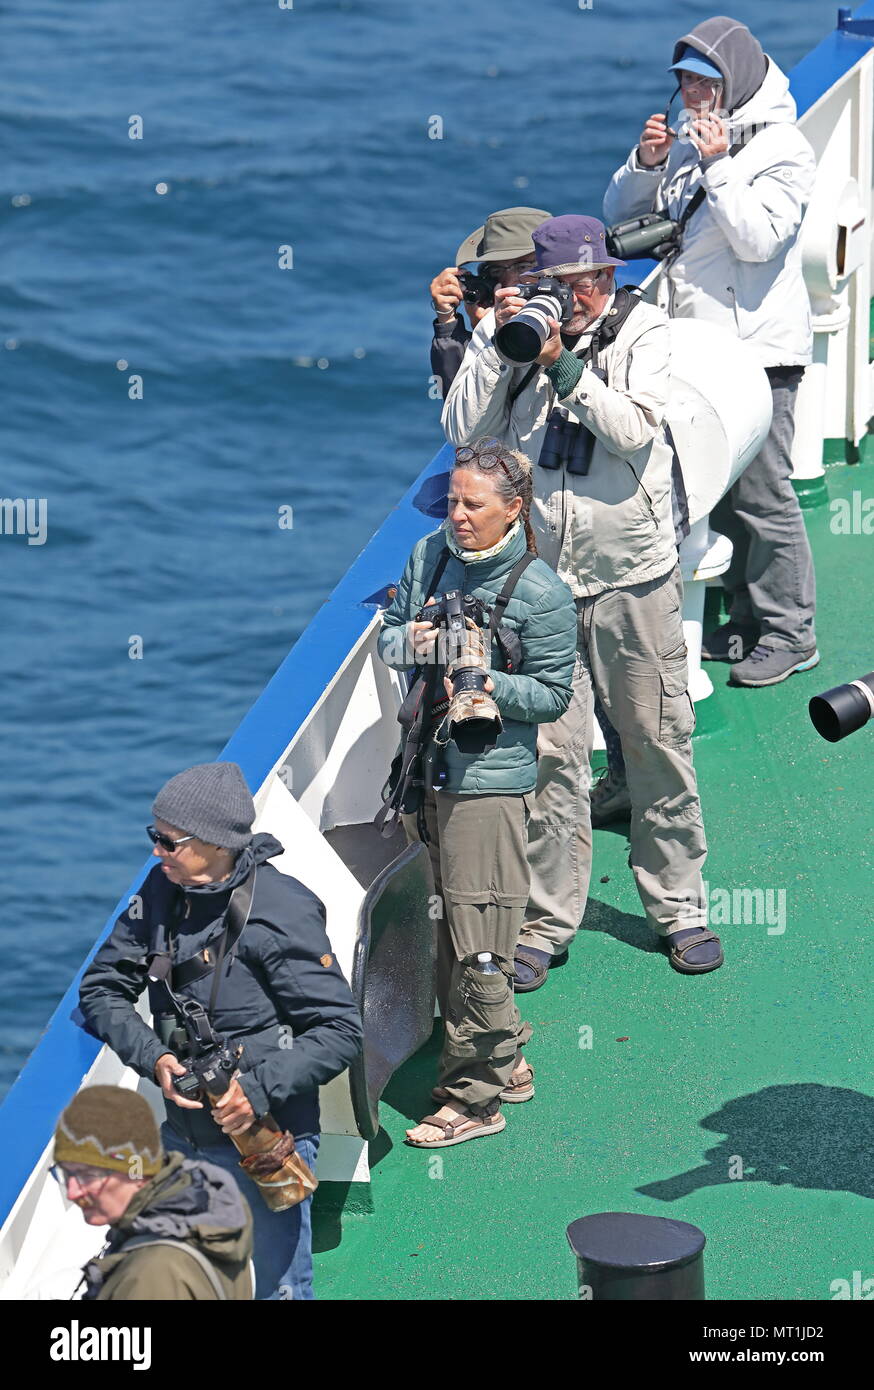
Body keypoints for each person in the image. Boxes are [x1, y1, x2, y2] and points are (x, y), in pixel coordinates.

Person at [443, 214, 723, 984]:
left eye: (595, 280)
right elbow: (462, 429)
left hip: (633, 575)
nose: (583, 296)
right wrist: (494, 344)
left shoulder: (648, 333)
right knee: (553, 757)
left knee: (656, 742)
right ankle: (545, 919)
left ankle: (680, 906)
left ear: (608, 276)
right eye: (565, 287)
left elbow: (633, 429)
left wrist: (566, 367)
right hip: (545, 589)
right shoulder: (511, 331)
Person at [79, 761, 363, 1300]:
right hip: (181, 1138)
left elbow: (340, 1030)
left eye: (168, 842)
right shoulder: (163, 889)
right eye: (154, 838)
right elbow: (100, 989)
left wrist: (250, 1093)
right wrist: (155, 1060)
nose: (156, 853)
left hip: (262, 1138)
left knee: (276, 1288)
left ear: (213, 843)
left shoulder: (280, 912)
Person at [604, 15, 819, 687]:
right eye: (685, 84)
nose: (694, 95)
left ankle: (792, 631)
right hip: (695, 351)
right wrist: (646, 164)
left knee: (762, 496)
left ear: (737, 82)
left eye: (706, 82)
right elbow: (620, 218)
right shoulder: (694, 144)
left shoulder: (784, 149)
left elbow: (758, 240)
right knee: (717, 491)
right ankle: (750, 620)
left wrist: (720, 166)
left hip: (757, 351)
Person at [377, 437, 576, 1146]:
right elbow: (390, 639)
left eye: (474, 505)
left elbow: (553, 694)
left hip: (488, 787)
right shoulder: (429, 557)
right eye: (454, 501)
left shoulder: (543, 594)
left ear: (514, 510)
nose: (457, 516)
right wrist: (425, 641)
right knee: (446, 929)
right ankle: (506, 1059)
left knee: (482, 943)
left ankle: (476, 1098)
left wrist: (490, 682)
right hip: (427, 770)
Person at [53, 1084, 253, 1300]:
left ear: (134, 1169)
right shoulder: (208, 1203)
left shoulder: (149, 1275)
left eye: (87, 1175)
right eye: (66, 1174)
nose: (72, 1193)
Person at [429, 207, 550, 399]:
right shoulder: (488, 323)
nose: (510, 282)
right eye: (497, 270)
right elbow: (459, 408)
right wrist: (449, 322)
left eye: (524, 266)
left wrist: (495, 334)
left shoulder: (576, 315)